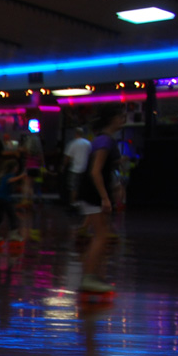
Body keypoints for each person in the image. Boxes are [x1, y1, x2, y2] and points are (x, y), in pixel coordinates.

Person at [76, 104, 126, 293]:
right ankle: (89, 277)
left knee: (102, 235)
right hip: (92, 193)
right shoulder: (104, 141)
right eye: (121, 117)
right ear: (113, 119)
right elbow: (95, 171)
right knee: (101, 235)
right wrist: (105, 198)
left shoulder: (104, 140)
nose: (123, 120)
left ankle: (92, 275)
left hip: (92, 192)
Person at [0, 158, 24, 240]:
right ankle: (13, 234)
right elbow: (10, 180)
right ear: (13, 168)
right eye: (16, 167)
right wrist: (21, 176)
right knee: (12, 216)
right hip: (3, 199)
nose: (17, 169)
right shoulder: (9, 175)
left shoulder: (5, 175)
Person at [64, 127, 92, 209]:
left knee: (74, 187)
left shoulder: (72, 143)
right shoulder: (88, 143)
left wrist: (63, 166)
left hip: (75, 169)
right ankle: (83, 203)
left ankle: (73, 203)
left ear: (76, 134)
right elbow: (91, 155)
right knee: (83, 187)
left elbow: (67, 157)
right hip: (85, 168)